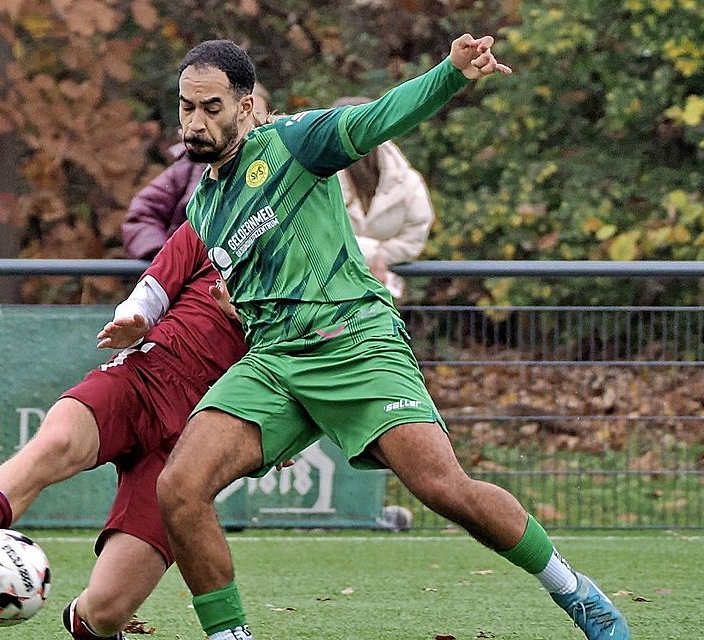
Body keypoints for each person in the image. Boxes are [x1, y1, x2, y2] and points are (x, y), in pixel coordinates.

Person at [155, 37, 630, 640]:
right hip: (274, 360)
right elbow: (248, 281)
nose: (196, 122)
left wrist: (451, 74)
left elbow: (380, 115)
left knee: (444, 489)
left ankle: (576, 592)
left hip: (354, 342)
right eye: (186, 106)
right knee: (179, 488)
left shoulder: (297, 142)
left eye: (212, 107)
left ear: (248, 106)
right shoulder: (204, 204)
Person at [0, 220, 247, 640]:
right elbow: (152, 287)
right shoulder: (216, 215)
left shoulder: (314, 269)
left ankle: (84, 621)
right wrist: (134, 319)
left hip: (198, 432)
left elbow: (299, 357)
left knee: (106, 611)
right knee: (58, 442)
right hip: (146, 373)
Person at [121, 84, 271, 260]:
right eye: (239, 114)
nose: (246, 122)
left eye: (255, 115)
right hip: (195, 273)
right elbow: (143, 214)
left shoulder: (280, 162)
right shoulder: (192, 166)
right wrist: (171, 262)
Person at [332, 96, 434, 299]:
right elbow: (314, 231)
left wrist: (381, 257)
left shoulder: (406, 180)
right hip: (327, 289)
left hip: (381, 290)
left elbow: (415, 235)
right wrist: (371, 253)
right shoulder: (318, 175)